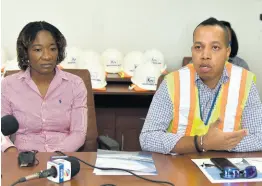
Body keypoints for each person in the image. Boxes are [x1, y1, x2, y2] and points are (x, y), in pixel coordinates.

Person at [140, 17, 262, 154]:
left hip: (225, 168)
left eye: (215, 48)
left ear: (227, 52)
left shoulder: (244, 82)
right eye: (199, 47)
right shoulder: (172, 82)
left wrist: (220, 144)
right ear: (192, 50)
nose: (205, 55)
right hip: (178, 168)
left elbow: (259, 137)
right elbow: (147, 138)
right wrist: (202, 142)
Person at [1, 21, 87, 152]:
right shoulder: (8, 85)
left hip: (62, 159)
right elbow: (1, 132)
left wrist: (56, 155)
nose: (47, 56)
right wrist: (10, 151)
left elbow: (79, 133)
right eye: (38, 49)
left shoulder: (75, 84)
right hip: (23, 158)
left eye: (52, 49)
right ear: (26, 53)